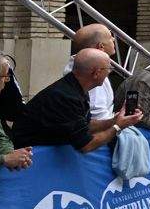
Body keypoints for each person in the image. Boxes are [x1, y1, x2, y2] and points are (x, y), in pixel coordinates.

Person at [11, 48, 141, 151]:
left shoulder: (77, 88)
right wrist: (118, 127)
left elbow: (85, 124)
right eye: (109, 69)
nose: (109, 73)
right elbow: (86, 145)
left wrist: (113, 120)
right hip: (28, 155)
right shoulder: (65, 97)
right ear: (96, 73)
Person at [70, 24, 119, 120]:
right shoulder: (89, 72)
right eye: (110, 37)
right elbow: (98, 116)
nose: (113, 39)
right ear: (101, 46)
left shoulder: (83, 65)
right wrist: (117, 124)